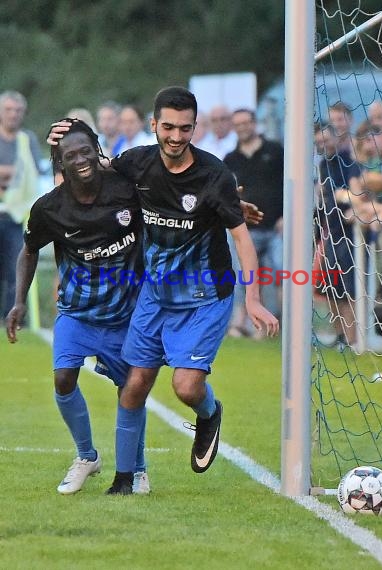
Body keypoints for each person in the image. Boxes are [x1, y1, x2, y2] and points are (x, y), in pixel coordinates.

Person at [105, 86, 279, 492]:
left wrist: (253, 299)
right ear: (154, 125)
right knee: (134, 384)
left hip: (206, 296)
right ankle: (126, 477)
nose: (176, 136)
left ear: (195, 128)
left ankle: (209, 412)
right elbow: (94, 174)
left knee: (185, 386)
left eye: (185, 128)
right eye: (168, 127)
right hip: (156, 293)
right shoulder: (136, 162)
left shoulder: (215, 174)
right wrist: (71, 136)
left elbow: (243, 242)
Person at [6, 118, 149, 496]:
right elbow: (29, 250)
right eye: (71, 155)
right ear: (61, 163)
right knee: (63, 377)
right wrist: (19, 302)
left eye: (86, 150)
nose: (81, 159)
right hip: (75, 312)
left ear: (97, 151)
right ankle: (87, 456)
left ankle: (137, 470)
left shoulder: (126, 190)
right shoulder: (50, 208)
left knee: (129, 389)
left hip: (125, 314)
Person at [224, 108, 284, 338]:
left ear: (254, 123)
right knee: (243, 276)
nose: (243, 127)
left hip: (277, 225)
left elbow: (288, 184)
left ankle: (278, 323)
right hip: (245, 229)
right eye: (237, 124)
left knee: (283, 274)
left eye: (246, 122)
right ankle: (240, 322)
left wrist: (284, 216)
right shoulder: (230, 159)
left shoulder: (275, 151)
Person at [316, 123, 363, 347]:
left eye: (326, 140)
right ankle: (340, 335)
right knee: (330, 286)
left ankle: (352, 338)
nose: (322, 145)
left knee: (349, 287)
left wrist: (344, 196)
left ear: (336, 138)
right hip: (331, 231)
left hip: (349, 233)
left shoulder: (349, 162)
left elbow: (356, 193)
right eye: (319, 142)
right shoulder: (323, 164)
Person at [0, 90, 40, 321]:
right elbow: (20, 174)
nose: (13, 115)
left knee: (16, 273)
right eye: (8, 110)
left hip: (16, 218)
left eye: (17, 111)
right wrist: (13, 173)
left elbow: (32, 173)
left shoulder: (27, 140)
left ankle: (13, 320)